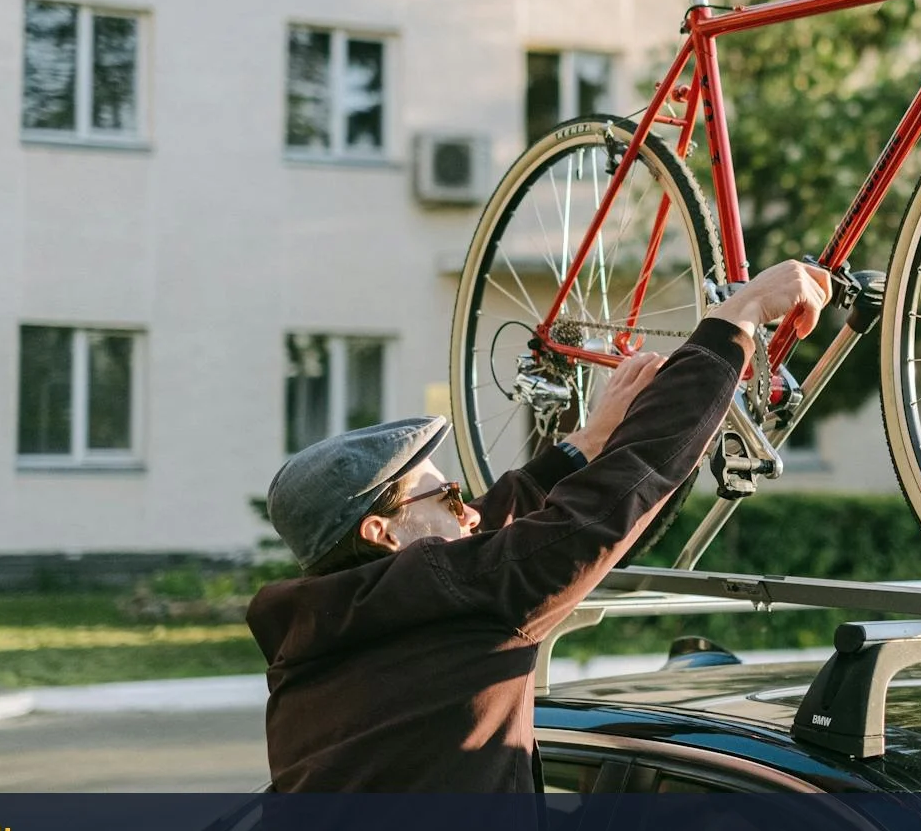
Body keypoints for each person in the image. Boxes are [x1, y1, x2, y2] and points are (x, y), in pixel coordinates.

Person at [247, 260, 832, 793]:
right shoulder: (451, 596)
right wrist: (735, 319)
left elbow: (490, 543)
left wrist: (584, 444)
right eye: (448, 495)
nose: (470, 509)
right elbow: (623, 488)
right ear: (382, 533)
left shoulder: (320, 644)